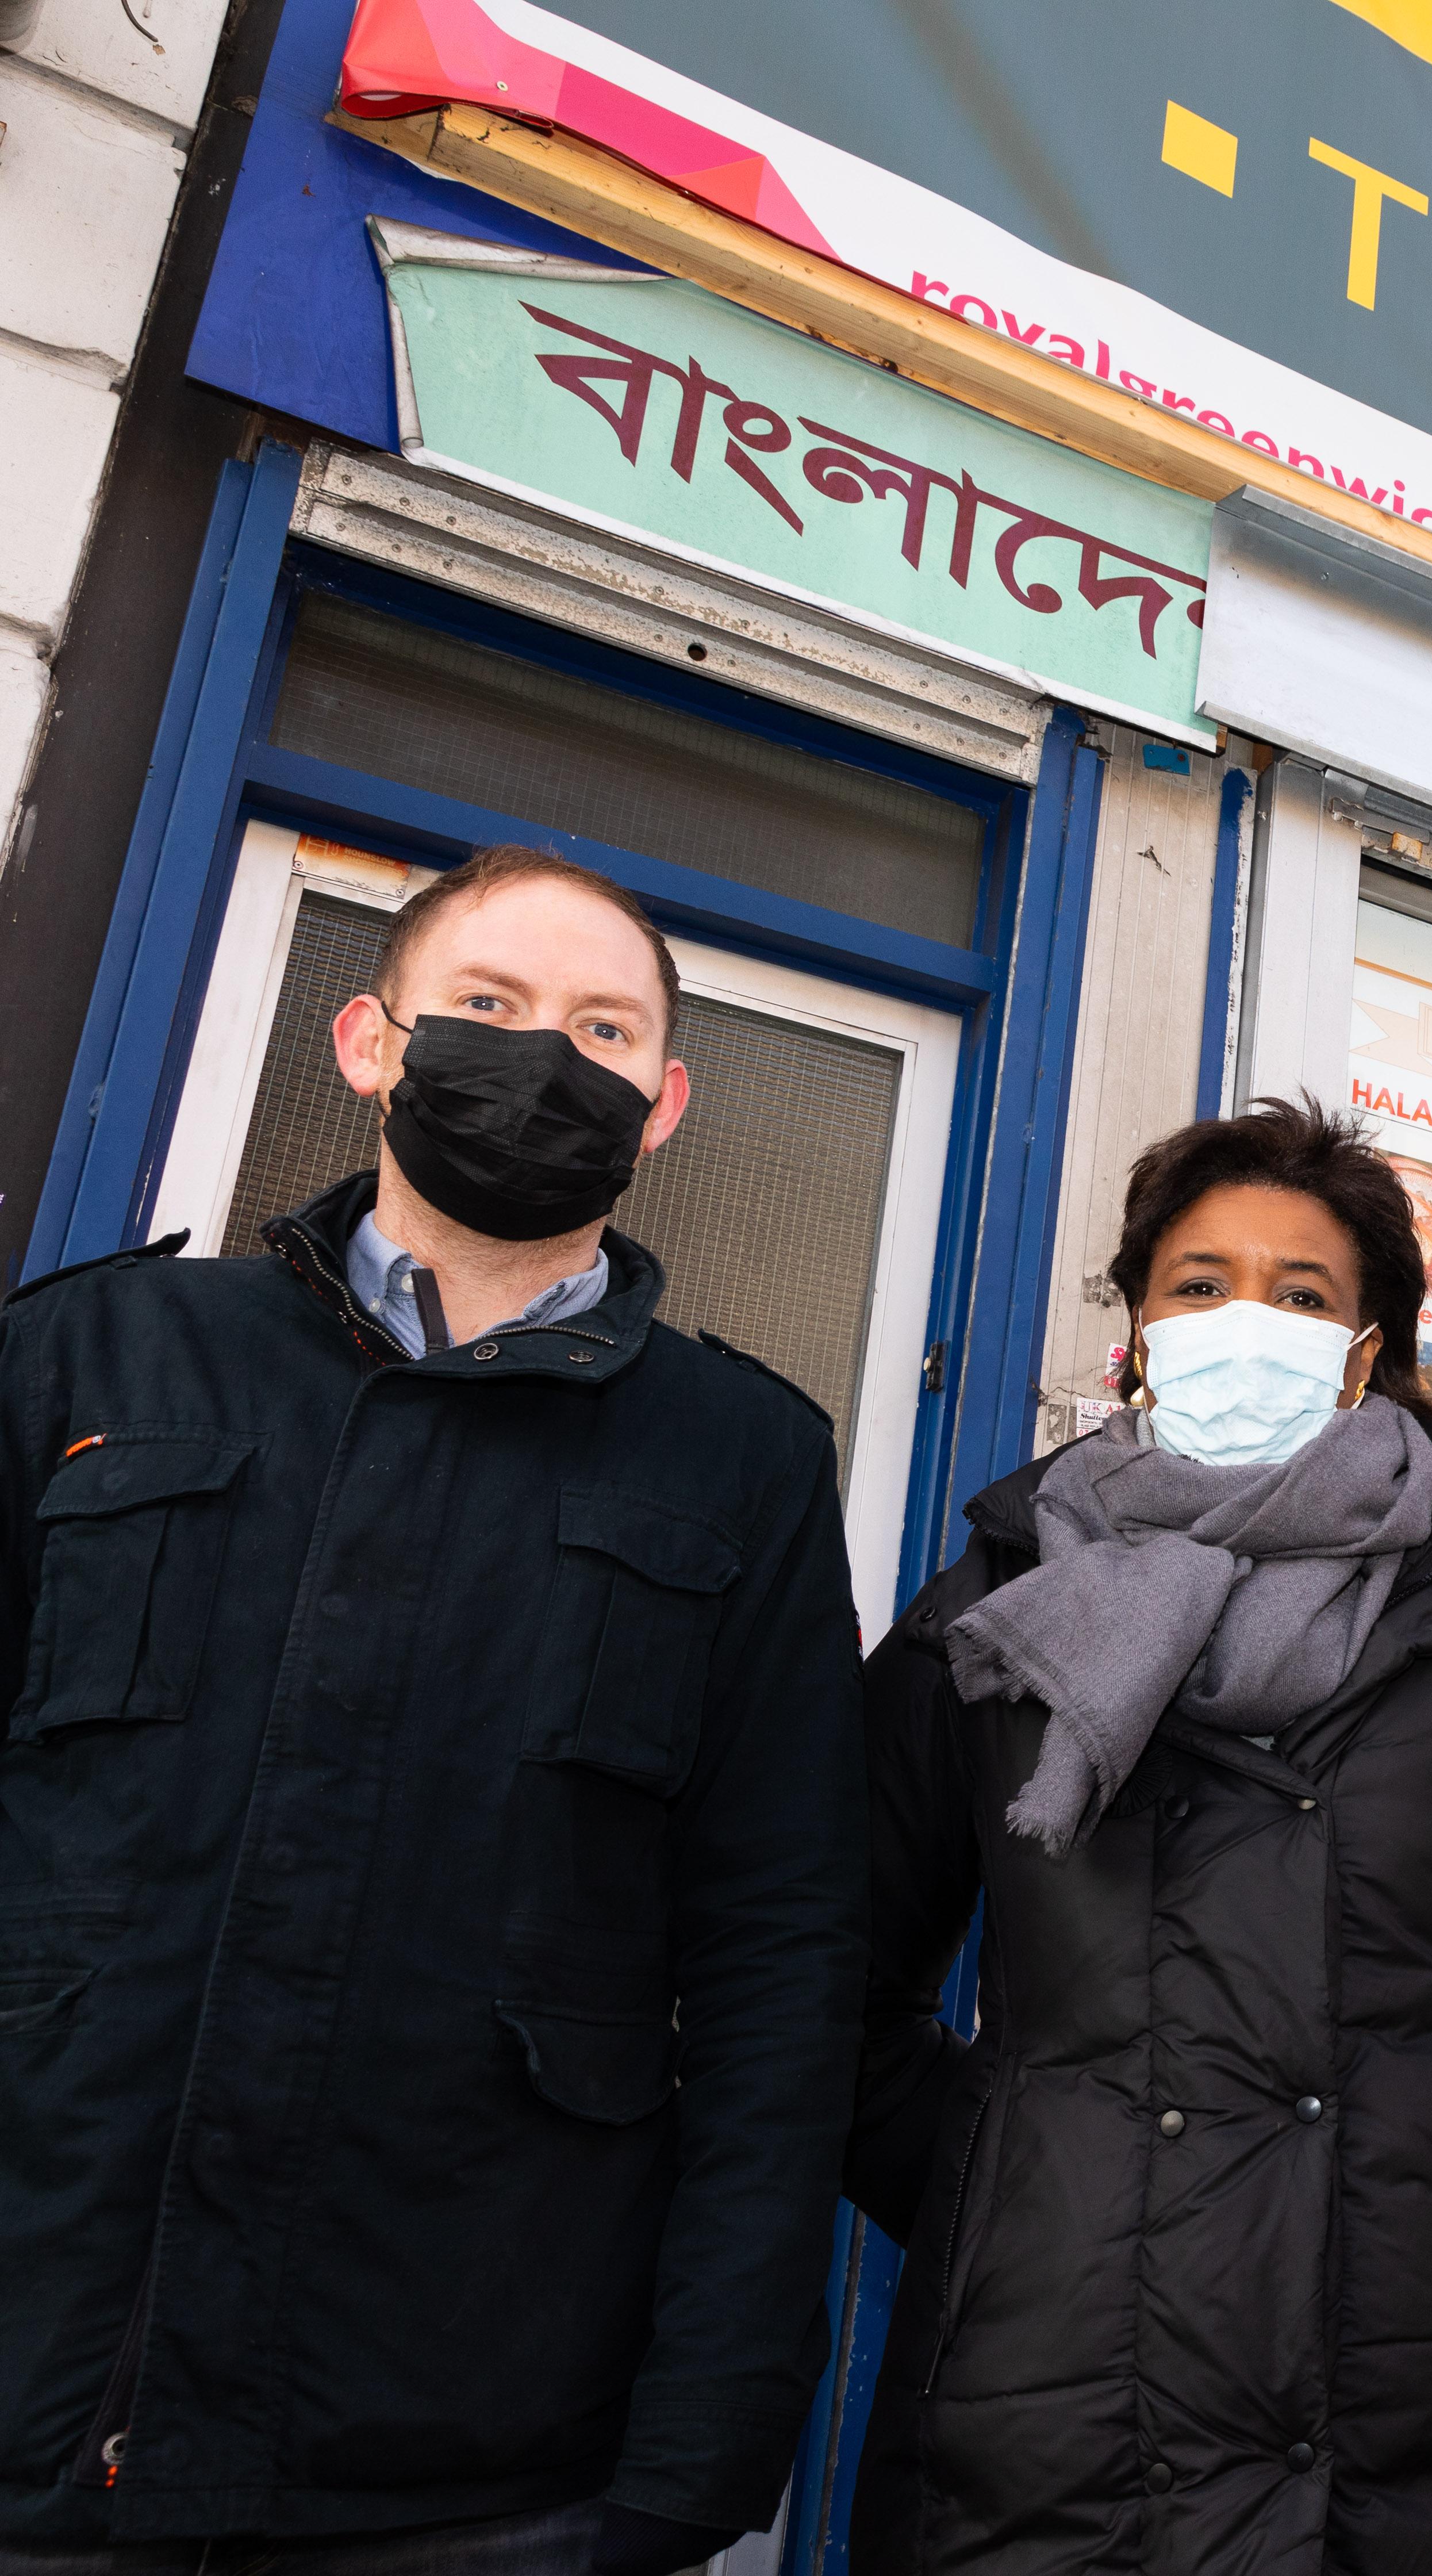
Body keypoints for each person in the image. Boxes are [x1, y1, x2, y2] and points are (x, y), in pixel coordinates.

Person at [0, 844, 868, 2576]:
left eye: (602, 1027)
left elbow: (779, 1960)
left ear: (665, 1100)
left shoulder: (744, 1457)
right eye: (487, 1007)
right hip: (41, 2383)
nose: (542, 1055)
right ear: (368, 1040)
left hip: (479, 2467)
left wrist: (705, 2438)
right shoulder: (102, 1357)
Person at [844, 1095, 1432, 2574]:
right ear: (1137, 1327)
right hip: (1049, 2394)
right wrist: (1021, 2184)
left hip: (1417, 2388)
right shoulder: (996, 1593)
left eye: (1300, 1294)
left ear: (1365, 1351)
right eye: (1199, 1283)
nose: (1245, 1317)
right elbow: (827, 1960)